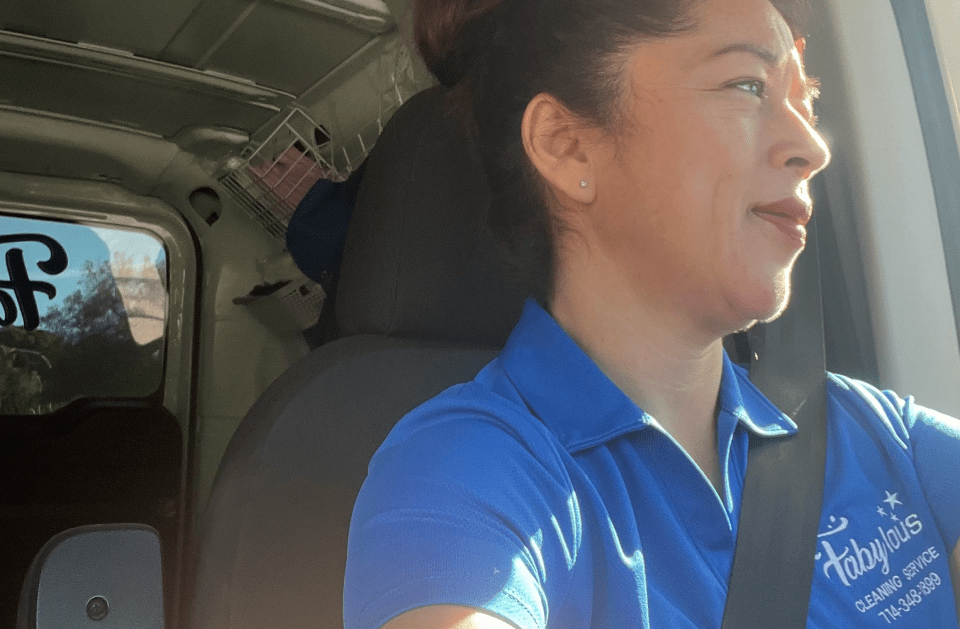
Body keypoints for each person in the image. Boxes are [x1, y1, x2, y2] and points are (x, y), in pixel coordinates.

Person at [343, 0, 960, 626]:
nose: (812, 146)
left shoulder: (880, 433)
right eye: (748, 86)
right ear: (567, 146)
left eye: (808, 102)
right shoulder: (464, 474)